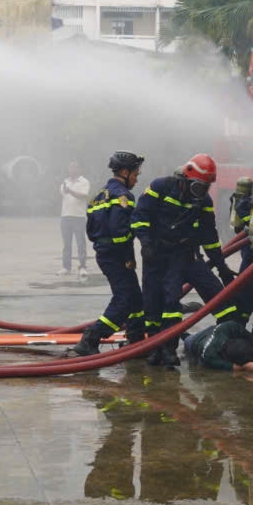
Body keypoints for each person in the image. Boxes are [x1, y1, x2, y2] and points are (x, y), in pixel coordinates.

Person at [131, 154, 239, 367]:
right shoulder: (160, 187)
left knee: (218, 295)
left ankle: (230, 342)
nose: (202, 192)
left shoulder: (204, 202)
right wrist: (145, 243)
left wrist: (221, 266)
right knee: (158, 302)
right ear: (185, 179)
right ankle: (159, 347)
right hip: (156, 254)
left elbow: (210, 237)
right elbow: (139, 217)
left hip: (186, 255)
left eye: (207, 187)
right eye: (199, 186)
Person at [68, 152, 145, 357]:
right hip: (117, 256)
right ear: (125, 172)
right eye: (136, 174)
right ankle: (91, 338)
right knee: (124, 300)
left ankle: (136, 339)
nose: (137, 179)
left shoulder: (99, 195)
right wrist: (129, 257)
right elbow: (121, 232)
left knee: (136, 298)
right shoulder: (123, 196)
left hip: (104, 253)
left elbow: (91, 229)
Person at [184, 320, 253, 375]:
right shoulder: (209, 356)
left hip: (213, 331)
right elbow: (244, 367)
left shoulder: (231, 327)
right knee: (186, 338)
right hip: (194, 342)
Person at [58, 161, 91, 279]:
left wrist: (71, 191)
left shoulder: (84, 182)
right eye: (70, 167)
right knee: (66, 244)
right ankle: (66, 267)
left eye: (74, 167)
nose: (72, 169)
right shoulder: (65, 182)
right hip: (65, 216)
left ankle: (82, 267)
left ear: (79, 169)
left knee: (80, 243)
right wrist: (67, 190)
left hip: (79, 217)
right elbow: (63, 195)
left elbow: (83, 196)